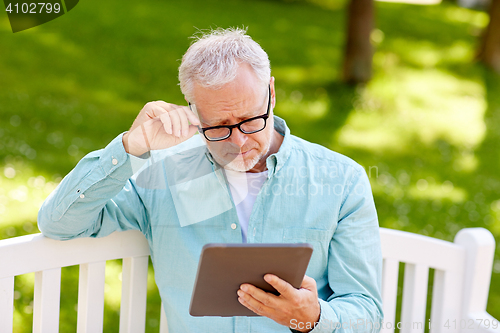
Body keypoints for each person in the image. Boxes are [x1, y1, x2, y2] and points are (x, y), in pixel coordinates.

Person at [38, 28, 383, 333]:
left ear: (272, 94)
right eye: (218, 126)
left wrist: (315, 317)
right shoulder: (162, 174)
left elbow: (366, 312)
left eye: (250, 120)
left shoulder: (341, 180)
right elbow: (59, 223)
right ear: (193, 111)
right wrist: (131, 147)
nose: (238, 142)